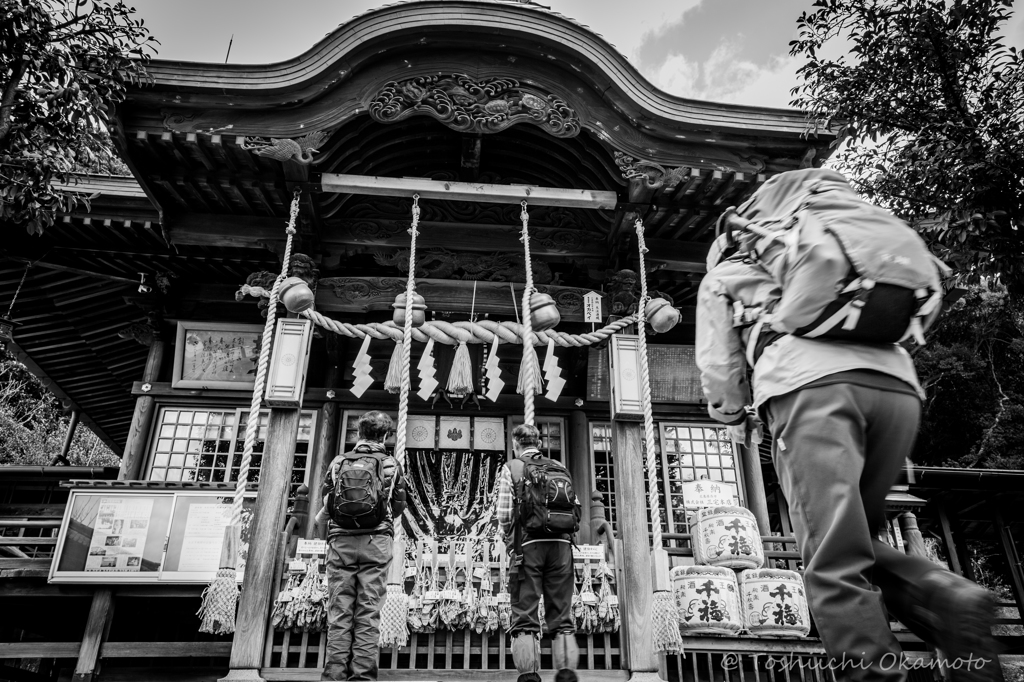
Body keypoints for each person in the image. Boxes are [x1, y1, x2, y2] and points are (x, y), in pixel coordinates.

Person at [696, 171, 1000, 682]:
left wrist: (730, 414)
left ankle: (874, 673)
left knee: (831, 551)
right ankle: (944, 594)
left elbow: (717, 365)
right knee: (856, 534)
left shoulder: (735, 264)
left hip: (812, 392)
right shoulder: (848, 230)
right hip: (898, 389)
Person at [315, 411, 407, 682]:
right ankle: (363, 677)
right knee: (368, 611)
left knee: (340, 610)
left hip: (341, 542)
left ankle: (333, 676)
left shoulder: (339, 461)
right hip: (376, 543)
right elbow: (398, 506)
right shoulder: (391, 464)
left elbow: (327, 499)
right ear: (386, 435)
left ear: (358, 433)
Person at [495, 424, 581, 682]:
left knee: (524, 615)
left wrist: (510, 541)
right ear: (539, 443)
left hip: (528, 548)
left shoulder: (512, 468)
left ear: (515, 444)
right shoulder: (559, 467)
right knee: (561, 615)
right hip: (562, 547)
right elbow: (575, 507)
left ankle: (529, 676)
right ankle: (565, 674)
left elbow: (504, 514)